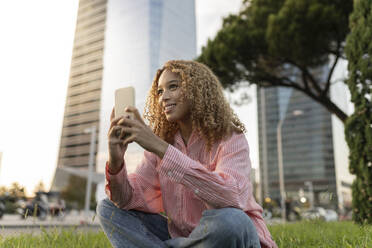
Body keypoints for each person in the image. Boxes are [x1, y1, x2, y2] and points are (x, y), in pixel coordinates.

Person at [96, 60, 277, 248]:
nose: (163, 97)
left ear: (197, 91)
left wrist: (162, 149)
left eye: (172, 87)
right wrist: (116, 161)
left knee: (231, 219)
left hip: (232, 237)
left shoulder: (230, 137)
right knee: (108, 208)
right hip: (186, 239)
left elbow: (231, 196)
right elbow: (127, 199)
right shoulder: (164, 141)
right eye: (159, 91)